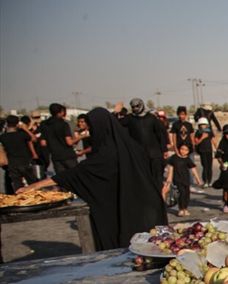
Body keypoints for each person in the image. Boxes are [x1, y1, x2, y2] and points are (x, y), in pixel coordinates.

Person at [16, 107, 167, 250]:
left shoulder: (106, 154)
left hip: (127, 215)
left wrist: (34, 186)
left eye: (91, 129)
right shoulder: (133, 147)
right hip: (149, 208)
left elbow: (74, 175)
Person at [117, 98, 168, 189]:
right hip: (139, 155)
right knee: (143, 179)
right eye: (134, 107)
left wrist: (164, 149)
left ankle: (159, 199)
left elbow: (160, 135)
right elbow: (115, 124)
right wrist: (115, 112)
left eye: (137, 106)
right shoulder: (130, 119)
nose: (136, 108)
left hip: (154, 154)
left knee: (157, 179)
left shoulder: (152, 119)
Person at [1, 115, 39, 193]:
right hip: (25, 161)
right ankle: (37, 197)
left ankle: (21, 200)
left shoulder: (3, 137)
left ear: (7, 124)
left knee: (17, 185)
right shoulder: (22, 134)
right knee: (33, 183)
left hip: (12, 163)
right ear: (17, 124)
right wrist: (25, 129)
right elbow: (34, 139)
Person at [39, 103, 80, 174]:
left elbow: (43, 143)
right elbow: (69, 142)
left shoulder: (45, 125)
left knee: (62, 178)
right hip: (68, 156)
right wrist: (82, 136)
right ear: (60, 112)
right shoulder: (63, 124)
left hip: (56, 157)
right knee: (76, 175)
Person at [164, 143, 202, 216]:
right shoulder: (174, 157)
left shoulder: (187, 159)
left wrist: (198, 179)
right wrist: (169, 176)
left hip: (186, 179)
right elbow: (171, 167)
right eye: (182, 149)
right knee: (181, 193)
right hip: (177, 178)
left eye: (186, 150)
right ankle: (181, 209)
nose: (183, 151)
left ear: (188, 151)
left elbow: (193, 169)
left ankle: (185, 208)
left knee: (186, 194)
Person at [193, 117, 216, 186]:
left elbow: (214, 141)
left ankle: (209, 181)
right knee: (205, 166)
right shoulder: (198, 132)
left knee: (209, 166)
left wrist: (218, 149)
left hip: (209, 150)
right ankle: (205, 181)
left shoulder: (210, 132)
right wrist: (202, 138)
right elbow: (196, 142)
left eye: (204, 124)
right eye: (201, 125)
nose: (203, 126)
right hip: (202, 151)